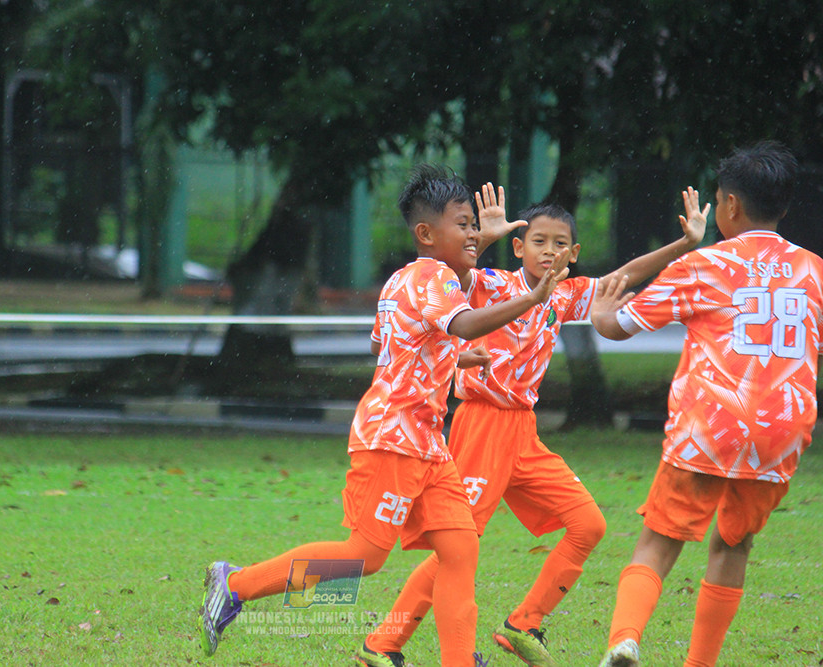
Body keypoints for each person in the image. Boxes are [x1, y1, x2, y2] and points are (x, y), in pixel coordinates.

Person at [198, 164, 571, 667]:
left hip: (427, 445)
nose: (473, 233)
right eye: (463, 225)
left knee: (460, 550)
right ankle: (236, 585)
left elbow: (389, 344)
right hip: (393, 439)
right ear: (426, 233)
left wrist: (449, 357)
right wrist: (530, 299)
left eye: (471, 225)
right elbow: (465, 322)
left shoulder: (407, 277)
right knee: (363, 558)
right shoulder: (430, 277)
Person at [356, 184, 709, 667]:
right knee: (456, 547)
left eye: (560, 243)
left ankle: (523, 625)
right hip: (481, 426)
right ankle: (383, 642)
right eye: (538, 241)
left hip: (524, 432)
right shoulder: (489, 284)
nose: (550, 251)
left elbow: (620, 278)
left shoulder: (562, 296)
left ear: (574, 252)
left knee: (589, 524)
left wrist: (685, 244)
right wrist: (486, 237)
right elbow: (454, 276)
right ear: (519, 248)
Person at [590, 141, 823, 667]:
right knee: (733, 545)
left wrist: (604, 310)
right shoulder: (814, 270)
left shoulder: (706, 264)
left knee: (659, 542)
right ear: (782, 207)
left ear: (731, 206)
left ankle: (624, 640)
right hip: (780, 430)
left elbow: (620, 325)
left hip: (710, 426)